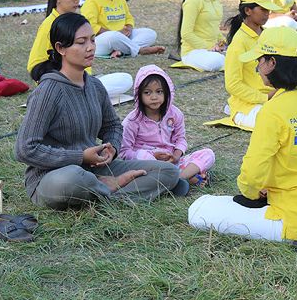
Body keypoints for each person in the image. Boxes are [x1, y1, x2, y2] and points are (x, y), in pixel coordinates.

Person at [15, 13, 180, 210]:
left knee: (169, 172)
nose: (91, 47)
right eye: (81, 42)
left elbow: (113, 126)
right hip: (53, 176)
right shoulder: (48, 91)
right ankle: (109, 186)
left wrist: (113, 148)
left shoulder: (94, 85)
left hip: (95, 168)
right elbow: (25, 149)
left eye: (92, 39)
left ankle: (105, 194)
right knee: (73, 178)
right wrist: (80, 157)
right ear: (61, 49)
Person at [189, 27, 297, 242]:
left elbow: (252, 172)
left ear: (272, 63)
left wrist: (251, 193)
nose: (257, 67)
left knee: (198, 209)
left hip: (293, 221)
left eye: (260, 60)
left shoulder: (272, 111)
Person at [224, 0, 297, 128]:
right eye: (263, 9)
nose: (267, 13)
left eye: (268, 9)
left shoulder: (267, 34)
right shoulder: (238, 43)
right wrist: (264, 97)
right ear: (248, 10)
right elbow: (232, 85)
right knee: (280, 120)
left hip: (279, 96)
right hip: (250, 107)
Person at [27, 0, 132, 99]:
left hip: (81, 79)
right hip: (61, 84)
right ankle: (83, 92)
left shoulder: (76, 21)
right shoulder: (48, 25)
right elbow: (34, 66)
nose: (77, 1)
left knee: (125, 79)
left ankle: (86, 90)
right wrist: (52, 85)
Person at [120, 64, 215, 188]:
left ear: (167, 92)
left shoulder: (175, 114)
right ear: (139, 95)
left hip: (172, 162)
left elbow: (181, 139)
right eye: (147, 92)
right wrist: (152, 156)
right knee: (144, 157)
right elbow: (124, 151)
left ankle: (179, 178)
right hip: (147, 163)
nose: (154, 97)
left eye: (159, 92)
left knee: (208, 154)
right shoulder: (132, 120)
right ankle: (186, 177)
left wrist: (176, 155)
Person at [80, 0, 164, 58]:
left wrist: (129, 28)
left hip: (122, 36)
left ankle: (122, 50)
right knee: (113, 36)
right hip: (102, 40)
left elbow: (128, 17)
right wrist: (117, 33)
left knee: (150, 33)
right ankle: (140, 50)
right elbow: (90, 26)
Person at [177, 0, 225, 71]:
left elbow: (214, 26)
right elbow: (186, 34)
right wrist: (209, 46)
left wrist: (223, 42)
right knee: (216, 61)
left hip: (213, 49)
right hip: (193, 52)